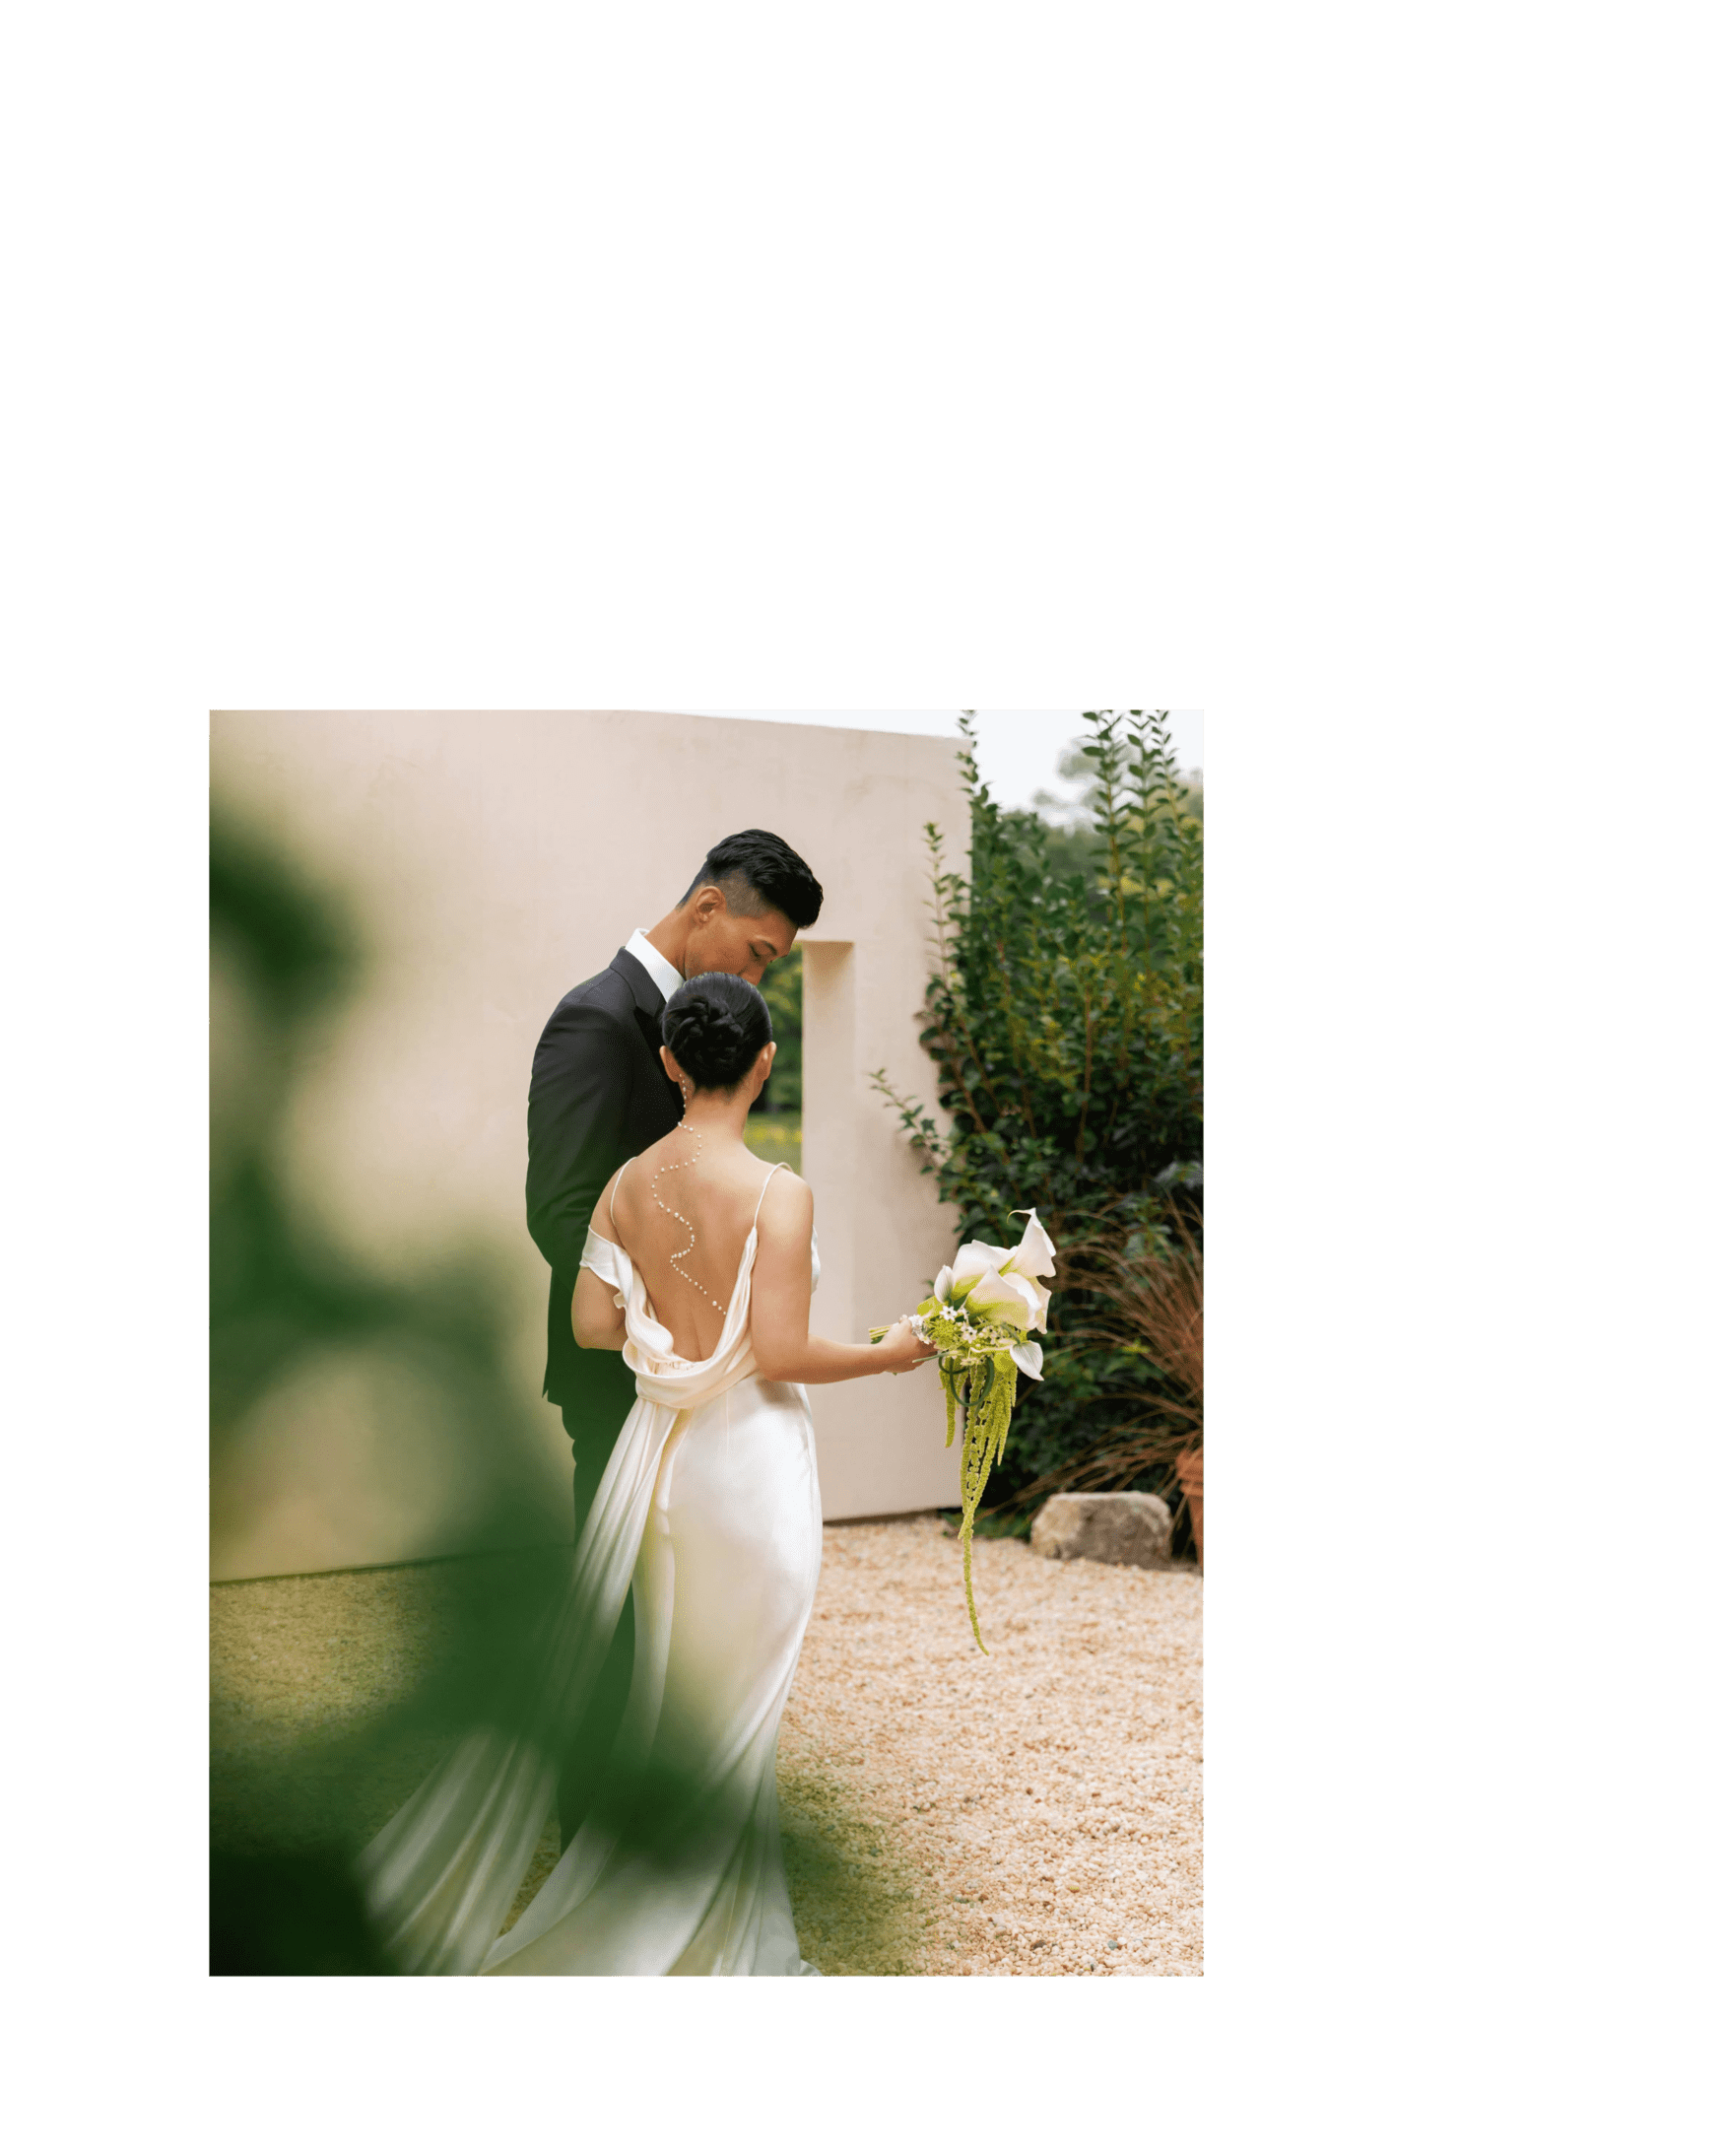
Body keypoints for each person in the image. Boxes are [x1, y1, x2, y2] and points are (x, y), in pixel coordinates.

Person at [360, 974, 935, 1976]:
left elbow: (589, 1324)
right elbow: (786, 1351)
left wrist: (665, 1335)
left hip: (667, 1472)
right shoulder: (779, 1193)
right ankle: (706, 1946)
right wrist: (893, 1352)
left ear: (669, 1062)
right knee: (738, 1717)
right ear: (763, 1063)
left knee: (676, 1703)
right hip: (752, 1473)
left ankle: (722, 1930)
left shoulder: (626, 1182)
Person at [524, 831, 823, 1847]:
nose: (755, 975)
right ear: (705, 908)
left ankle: (683, 1818)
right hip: (627, 1377)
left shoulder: (694, 1025)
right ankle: (594, 1830)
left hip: (707, 1390)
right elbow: (558, 1209)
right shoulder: (593, 1019)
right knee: (616, 1605)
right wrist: (684, 1324)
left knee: (699, 1610)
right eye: (758, 951)